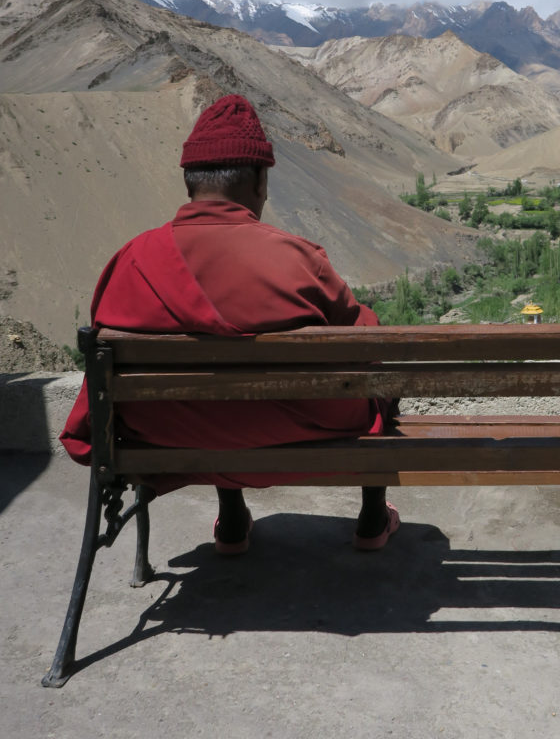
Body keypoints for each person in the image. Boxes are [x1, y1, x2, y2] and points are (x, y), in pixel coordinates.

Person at [60, 93, 399, 553]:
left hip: (173, 438)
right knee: (374, 377)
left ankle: (234, 520)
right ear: (259, 180)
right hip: (298, 435)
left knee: (215, 393)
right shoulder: (298, 259)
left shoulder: (130, 261)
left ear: (189, 183)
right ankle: (373, 520)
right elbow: (363, 342)